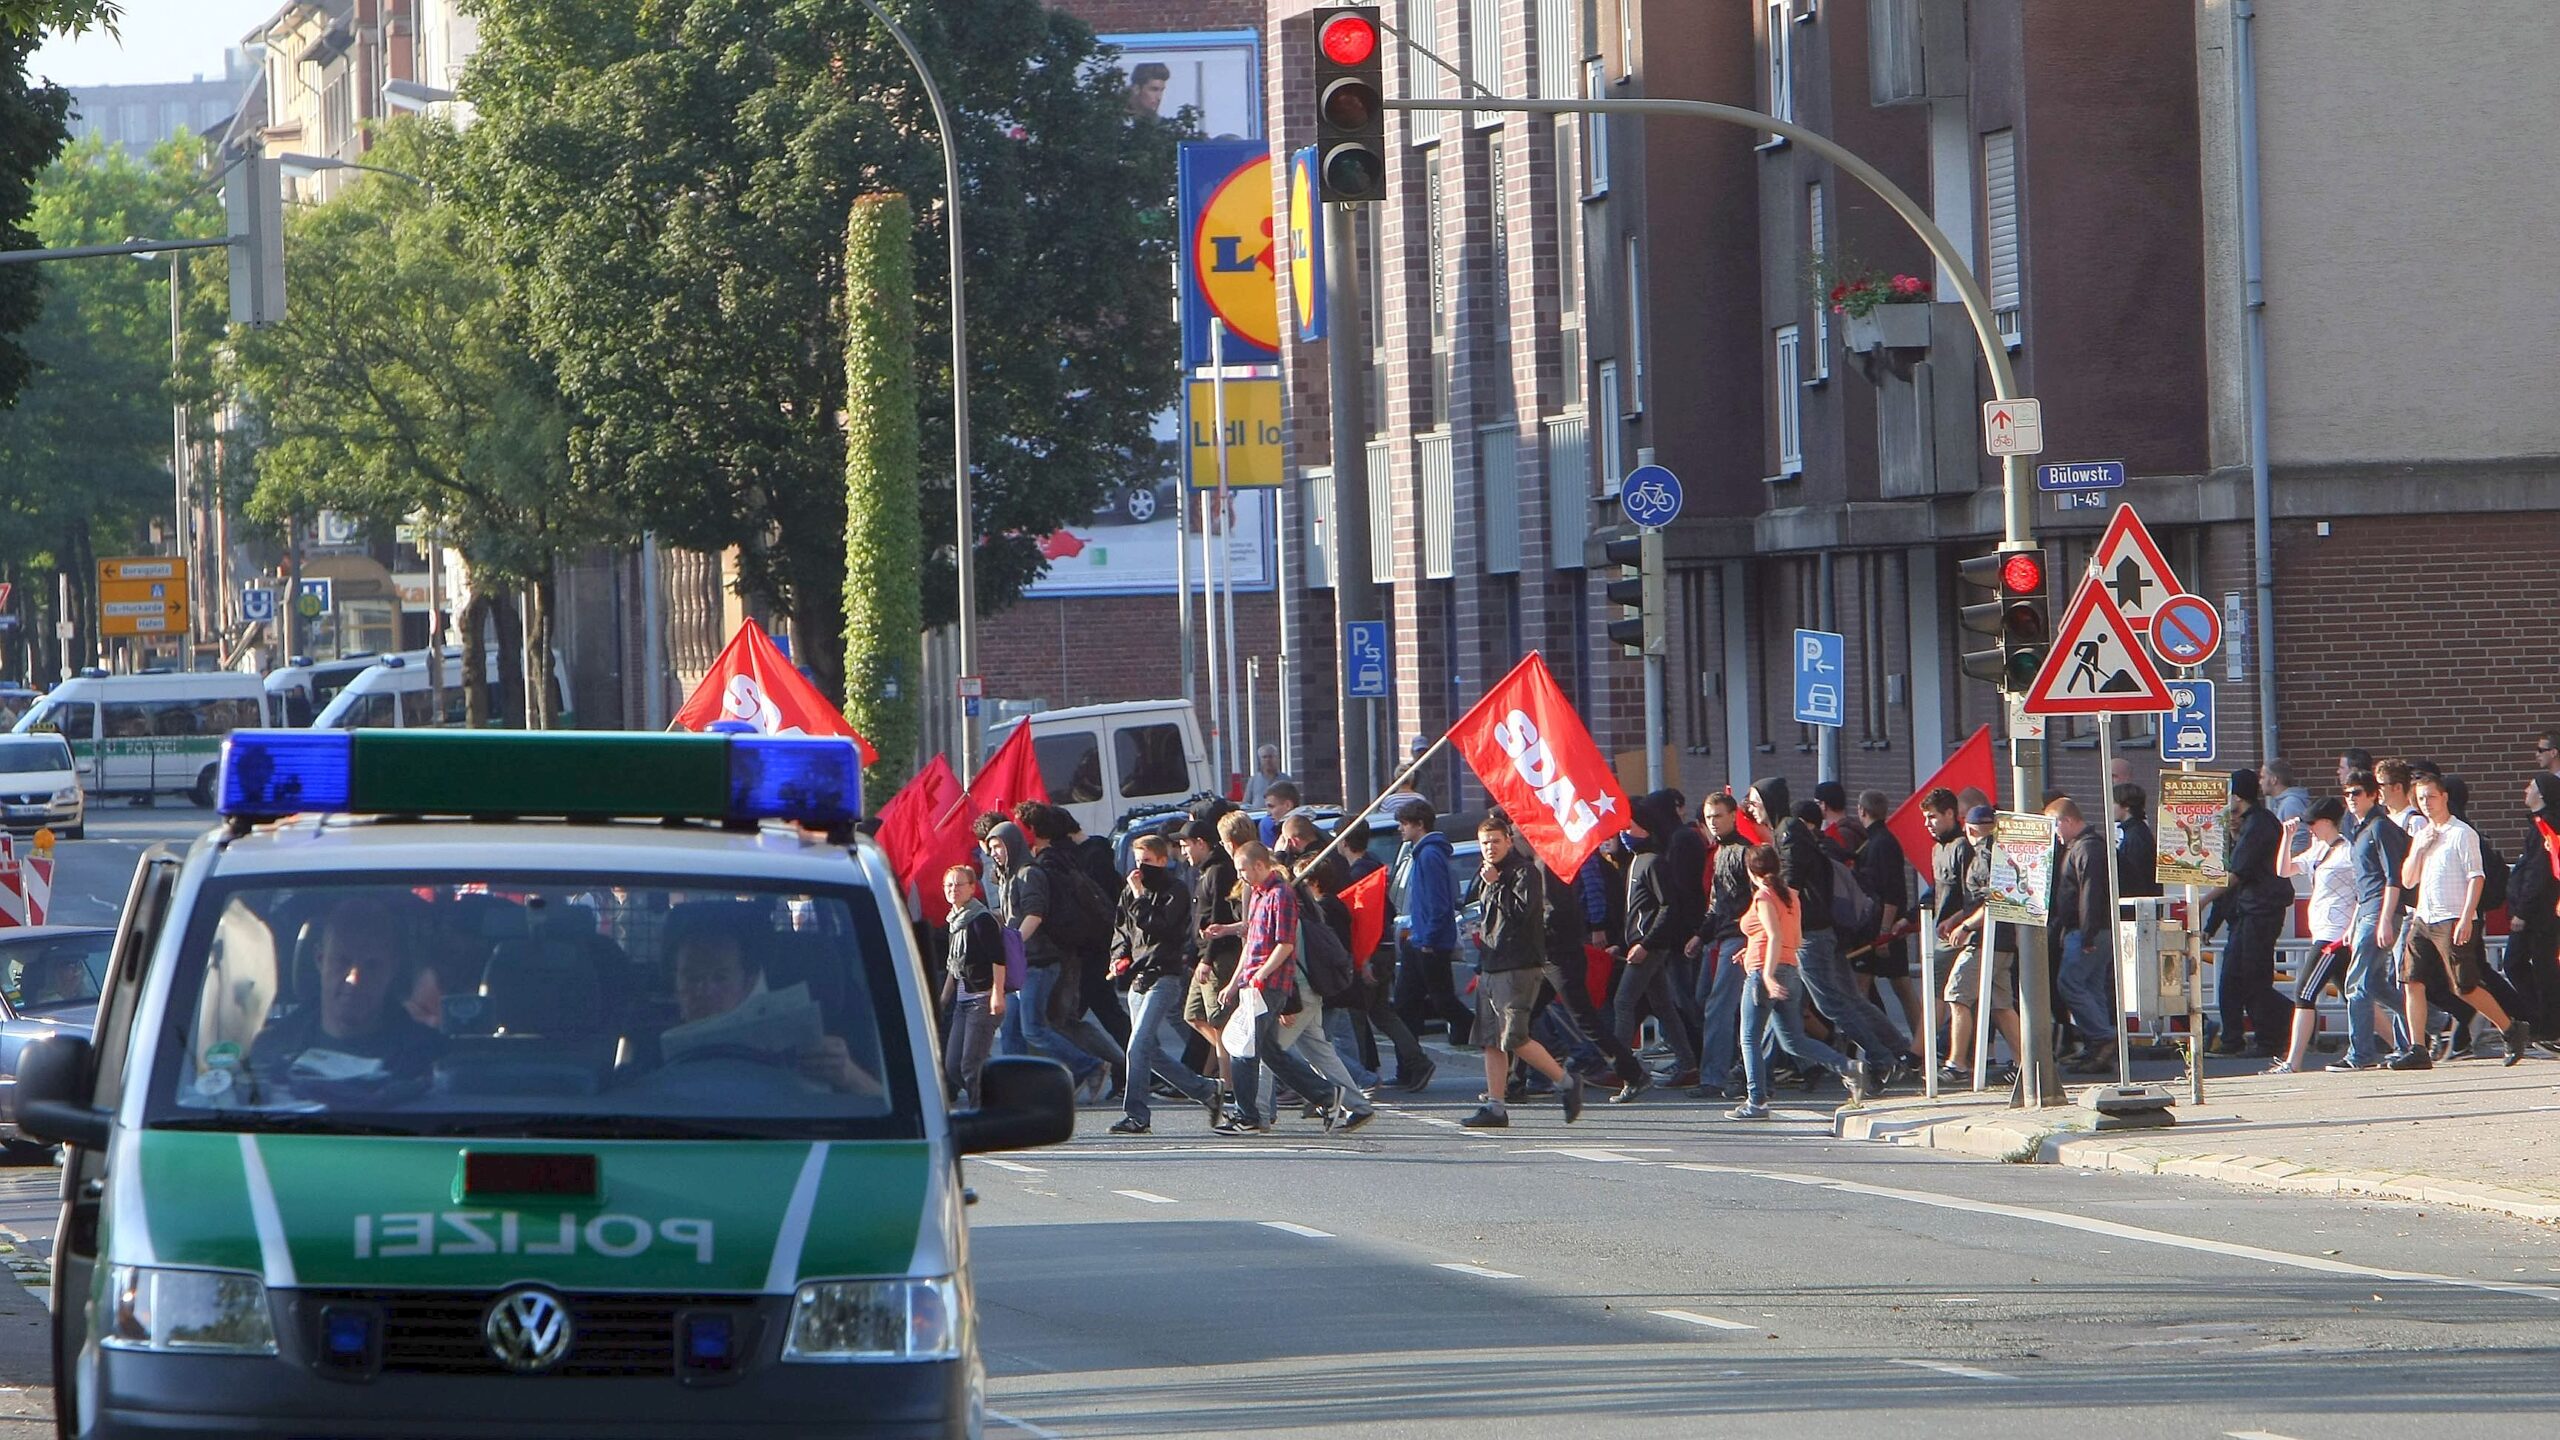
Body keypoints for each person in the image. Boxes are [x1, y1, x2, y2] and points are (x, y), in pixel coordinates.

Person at [1747, 775, 1908, 1089]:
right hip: (1821, 930)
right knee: (1849, 998)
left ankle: (1882, 1059)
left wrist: (1769, 925)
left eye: (1754, 802)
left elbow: (1789, 887)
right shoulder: (1787, 830)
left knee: (1831, 1003)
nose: (1751, 809)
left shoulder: (1788, 832)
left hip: (1810, 933)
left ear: (1768, 802)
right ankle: (1898, 1051)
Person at [2394, 774, 2532, 1067]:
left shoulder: (2462, 833)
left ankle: (2509, 1028)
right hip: (2423, 916)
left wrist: (2467, 916)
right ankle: (2417, 1048)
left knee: (2463, 985)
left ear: (2443, 797)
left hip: (2452, 916)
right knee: (2412, 980)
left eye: (2431, 797)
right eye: (2420, 799)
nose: (2426, 804)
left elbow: (2475, 877)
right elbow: (2407, 880)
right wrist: (2418, 850)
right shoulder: (2422, 835)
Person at [1217, 843, 1351, 1133]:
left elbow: (1285, 944)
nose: (1241, 876)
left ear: (1259, 866)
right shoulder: (1258, 897)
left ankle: (1247, 1115)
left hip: (1271, 984)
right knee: (1270, 1053)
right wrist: (1233, 982)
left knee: (1243, 1050)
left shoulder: (1282, 895)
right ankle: (1327, 1096)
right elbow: (1251, 945)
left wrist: (1261, 975)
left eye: (1243, 870)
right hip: (1253, 985)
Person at [1727, 843, 1868, 1119]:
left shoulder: (1764, 897)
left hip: (1763, 972)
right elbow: (1789, 935)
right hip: (1790, 968)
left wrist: (1766, 974)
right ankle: (1847, 1066)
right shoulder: (1790, 896)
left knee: (1749, 1038)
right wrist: (1753, 946)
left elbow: (1775, 935)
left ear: (1751, 871)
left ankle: (1757, 1101)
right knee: (1794, 1040)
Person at [1460, 818, 1585, 1128]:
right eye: (1485, 842)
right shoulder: (1488, 873)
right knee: (1490, 1039)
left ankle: (1566, 1082)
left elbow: (1522, 913)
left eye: (1496, 841)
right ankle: (1495, 1106)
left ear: (1509, 841)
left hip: (1518, 965)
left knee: (1514, 1036)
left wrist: (1496, 884)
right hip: (1491, 963)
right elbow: (1474, 907)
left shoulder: (1523, 872)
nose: (1490, 847)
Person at [248, 896, 446, 1084]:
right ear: (319, 959)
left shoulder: (430, 1059)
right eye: (342, 962)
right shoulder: (270, 1052)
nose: (354, 979)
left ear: (392, 968)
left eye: (372, 965)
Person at [667, 924, 875, 1092]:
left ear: (747, 983)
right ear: (675, 984)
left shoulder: (820, 1050)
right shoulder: (642, 1045)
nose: (704, 990)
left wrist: (849, 1074)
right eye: (692, 978)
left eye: (720, 978)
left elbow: (894, 1111)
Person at [1110, 835, 1220, 1135]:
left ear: (1161, 860)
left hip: (1164, 975)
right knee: (1148, 1051)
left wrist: (1140, 895)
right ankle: (1207, 1091)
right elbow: (1122, 930)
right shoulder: (1129, 893)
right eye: (1136, 862)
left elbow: (1159, 925)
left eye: (1146, 862)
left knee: (1137, 1046)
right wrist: (1118, 956)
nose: (1139, 869)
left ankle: (1136, 1114)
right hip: (1137, 977)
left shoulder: (1175, 890)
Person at [993, 818, 1111, 1097]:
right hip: (1018, 964)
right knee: (1011, 1032)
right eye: (991, 847)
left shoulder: (1028, 874)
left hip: (1038, 962)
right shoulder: (1007, 876)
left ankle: (1089, 1065)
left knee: (1033, 1029)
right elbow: (1013, 916)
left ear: (1012, 844)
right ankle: (1016, 1090)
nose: (994, 853)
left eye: (998, 846)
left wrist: (1013, 944)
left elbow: (1035, 913)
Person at [1616, 791, 1701, 1090]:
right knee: (1663, 1005)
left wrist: (1646, 943)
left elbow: (1668, 905)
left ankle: (1623, 1068)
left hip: (1649, 946)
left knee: (1623, 1002)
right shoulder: (1637, 860)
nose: (1624, 833)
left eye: (1629, 827)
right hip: (1643, 943)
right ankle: (1688, 1063)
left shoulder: (1653, 862)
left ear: (1646, 827)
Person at [2268, 798, 2357, 1074]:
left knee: (2304, 993)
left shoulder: (2348, 852)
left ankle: (2293, 1061)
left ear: (2328, 822)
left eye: (2313, 823)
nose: (2310, 829)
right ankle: (2401, 1043)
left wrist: (2351, 928)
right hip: (2324, 930)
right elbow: (2284, 870)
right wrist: (2287, 836)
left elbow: (2362, 892)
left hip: (2334, 934)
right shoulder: (2319, 850)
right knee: (2354, 994)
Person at [1935, 800, 2021, 1084]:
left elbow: (1991, 901)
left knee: (1957, 994)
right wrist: (1958, 917)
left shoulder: (1984, 855)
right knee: (2001, 1005)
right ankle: (2025, 1063)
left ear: (1969, 829)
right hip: (2004, 940)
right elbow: (1986, 899)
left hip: (1985, 940)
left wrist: (1964, 925)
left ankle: (1957, 1063)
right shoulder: (2005, 851)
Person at [2209, 767, 2294, 1057]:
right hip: (2250, 912)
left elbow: (2236, 874)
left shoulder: (2258, 826)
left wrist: (2203, 901)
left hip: (2261, 911)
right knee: (2234, 977)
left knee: (2253, 978)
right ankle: (2234, 1039)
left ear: (2236, 797)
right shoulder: (2251, 824)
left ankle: (2278, 1032)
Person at [2334, 767, 2409, 1069]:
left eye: (2357, 792)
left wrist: (2385, 919)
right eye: (2347, 793)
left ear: (2373, 794)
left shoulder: (2380, 828)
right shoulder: (2360, 829)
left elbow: (2393, 878)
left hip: (2379, 910)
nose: (2351, 798)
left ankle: (2360, 1054)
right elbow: (2362, 884)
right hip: (2367, 909)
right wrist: (2355, 922)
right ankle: (2422, 1024)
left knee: (2358, 982)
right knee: (2376, 983)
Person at [2046, 796, 2119, 1075]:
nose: (2056, 834)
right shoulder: (2085, 847)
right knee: (2092, 986)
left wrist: (2086, 934)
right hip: (2092, 929)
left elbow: (2091, 893)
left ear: (2066, 821)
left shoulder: (2086, 849)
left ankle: (2101, 1036)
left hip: (2089, 930)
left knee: (2070, 983)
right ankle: (2097, 1048)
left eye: (2055, 827)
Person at [1687, 792, 1752, 1099]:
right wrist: (1700, 935)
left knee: (1719, 1006)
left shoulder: (1742, 852)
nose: (1712, 823)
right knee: (1709, 1001)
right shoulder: (1719, 852)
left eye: (1718, 816)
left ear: (1733, 816)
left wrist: (1752, 938)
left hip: (1740, 937)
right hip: (1721, 935)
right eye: (1708, 817)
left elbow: (1758, 899)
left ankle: (1714, 1077)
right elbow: (1716, 902)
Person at [1389, 799, 1469, 1045]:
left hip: (1429, 941)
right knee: (1405, 1002)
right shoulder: (1422, 854)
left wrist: (1430, 938)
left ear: (1420, 824)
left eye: (1405, 824)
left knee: (1442, 1000)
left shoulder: (1430, 855)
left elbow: (1438, 902)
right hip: (1419, 937)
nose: (1401, 829)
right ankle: (1411, 1065)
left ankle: (1480, 1031)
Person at [1851, 789, 1923, 1050]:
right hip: (1882, 926)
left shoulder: (1881, 844)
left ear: (1862, 811)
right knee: (1898, 985)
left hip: (1880, 928)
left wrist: (1884, 932)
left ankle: (1915, 1045)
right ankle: (1919, 1044)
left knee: (1878, 987)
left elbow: (1891, 891)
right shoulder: (1880, 841)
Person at [1182, 819, 1243, 1093]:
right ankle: (1224, 1063)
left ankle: (1229, 1084)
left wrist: (1207, 958)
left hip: (1219, 956)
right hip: (1202, 955)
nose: (1184, 852)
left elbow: (1218, 915)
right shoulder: (1205, 871)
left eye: (1186, 846)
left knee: (1220, 1022)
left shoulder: (1219, 871)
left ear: (1201, 844)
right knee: (1194, 1015)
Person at [942, 865, 1006, 1109]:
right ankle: (992, 1098)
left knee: (970, 1064)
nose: (953, 890)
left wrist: (998, 994)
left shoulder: (980, 919)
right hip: (962, 1001)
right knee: (953, 1065)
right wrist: (943, 999)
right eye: (948, 885)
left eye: (959, 884)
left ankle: (982, 1111)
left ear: (972, 887)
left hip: (983, 998)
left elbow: (998, 959)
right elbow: (953, 965)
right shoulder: (954, 921)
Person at [2505, 774, 2560, 1032]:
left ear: (2542, 794)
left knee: (2529, 965)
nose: (2526, 790)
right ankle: (2540, 1019)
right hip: (2537, 911)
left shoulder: (2545, 826)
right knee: (2537, 966)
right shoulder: (2539, 825)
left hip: (2539, 914)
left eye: (2531, 786)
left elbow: (2539, 873)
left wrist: (2522, 911)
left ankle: (2545, 1023)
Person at [2113, 783, 2160, 899]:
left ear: (2126, 806)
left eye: (2113, 803)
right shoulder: (2138, 832)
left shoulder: (2135, 837)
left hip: (2137, 903)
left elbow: (2133, 876)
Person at [2262, 759, 2312, 856]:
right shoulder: (2281, 803)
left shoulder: (2291, 803)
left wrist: (2287, 865)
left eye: (2263, 777)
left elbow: (2301, 840)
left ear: (2273, 780)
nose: (2260, 782)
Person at [1256, 781, 1303, 848]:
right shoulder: (1313, 825)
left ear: (1288, 805)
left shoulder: (1268, 825)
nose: (1268, 813)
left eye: (1271, 806)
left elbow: (1271, 857)